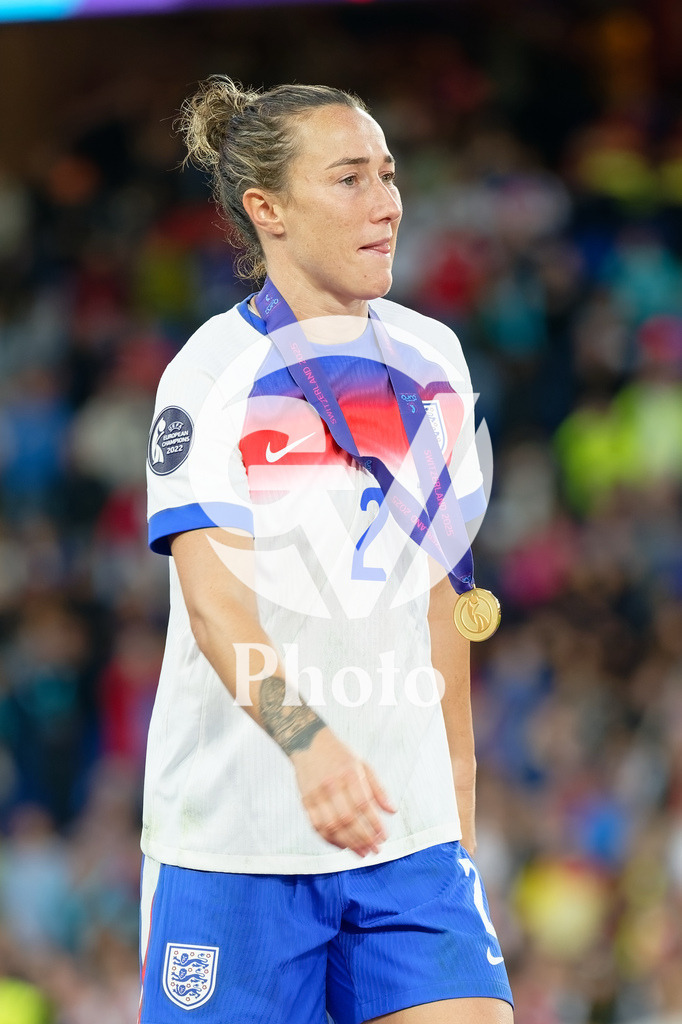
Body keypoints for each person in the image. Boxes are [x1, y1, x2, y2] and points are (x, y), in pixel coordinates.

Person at [138, 76, 513, 1024]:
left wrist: (455, 823)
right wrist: (309, 749)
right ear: (267, 211)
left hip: (406, 846)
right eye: (348, 179)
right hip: (239, 851)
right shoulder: (209, 376)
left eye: (387, 174)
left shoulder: (436, 361)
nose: (386, 202)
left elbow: (442, 605)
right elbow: (218, 608)